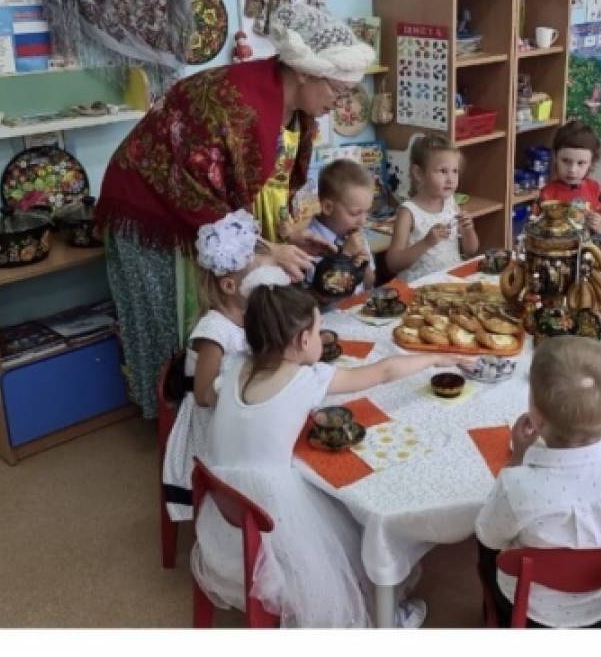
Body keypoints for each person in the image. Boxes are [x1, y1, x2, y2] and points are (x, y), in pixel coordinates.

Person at [94, 2, 374, 416]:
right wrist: (267, 249)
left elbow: (251, 189)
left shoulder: (295, 109)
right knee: (175, 329)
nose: (342, 102)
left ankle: (212, 409)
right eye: (337, 90)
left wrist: (283, 238)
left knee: (214, 318)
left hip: (202, 212)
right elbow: (204, 200)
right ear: (303, 71)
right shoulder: (241, 106)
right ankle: (177, 422)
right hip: (151, 210)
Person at [191, 267, 470, 626]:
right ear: (302, 341)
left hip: (226, 517)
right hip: (272, 523)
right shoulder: (305, 379)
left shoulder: (233, 367)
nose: (322, 338)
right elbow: (383, 372)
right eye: (318, 330)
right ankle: (386, 617)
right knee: (351, 528)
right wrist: (436, 358)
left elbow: (236, 407)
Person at [475, 337, 601, 628]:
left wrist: (518, 457)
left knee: (484, 547)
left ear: (536, 417)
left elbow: (488, 535)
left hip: (530, 611)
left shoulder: (516, 485)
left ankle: (495, 617)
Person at [161, 210, 257, 522]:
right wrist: (245, 387)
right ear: (229, 286)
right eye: (256, 277)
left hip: (237, 404)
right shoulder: (214, 331)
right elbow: (203, 395)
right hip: (211, 421)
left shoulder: (247, 314)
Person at [385, 135, 478, 282]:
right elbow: (393, 263)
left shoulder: (451, 203)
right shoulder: (408, 212)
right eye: (443, 171)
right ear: (418, 173)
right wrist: (426, 243)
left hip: (450, 282)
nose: (451, 179)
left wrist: (468, 230)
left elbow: (471, 251)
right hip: (419, 286)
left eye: (455, 171)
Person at [305, 159, 376, 307]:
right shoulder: (309, 241)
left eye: (367, 212)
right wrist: (345, 257)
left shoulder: (355, 235)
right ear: (327, 207)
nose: (362, 221)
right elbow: (323, 297)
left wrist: (364, 265)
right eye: (355, 213)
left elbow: (369, 283)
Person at [536, 121, 601, 235]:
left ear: (591, 162)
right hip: (557, 245)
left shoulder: (595, 188)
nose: (572, 170)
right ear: (555, 157)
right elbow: (533, 229)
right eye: (566, 161)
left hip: (590, 245)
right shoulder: (546, 193)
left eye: (581, 163)